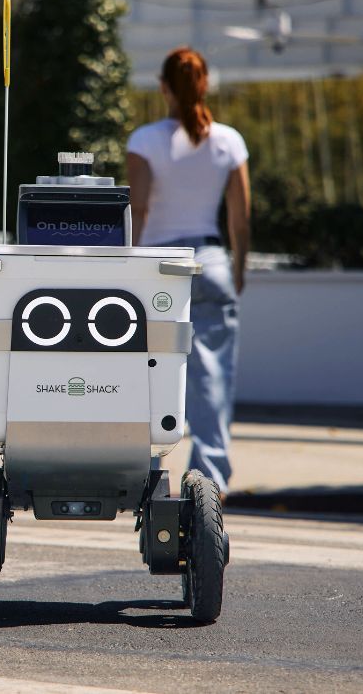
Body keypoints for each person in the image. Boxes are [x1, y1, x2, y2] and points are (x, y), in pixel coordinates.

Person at [126, 46, 251, 496]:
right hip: (211, 262)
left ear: (163, 87)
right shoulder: (229, 141)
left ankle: (140, 470)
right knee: (212, 376)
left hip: (157, 268)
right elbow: (239, 219)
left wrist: (127, 268)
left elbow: (138, 208)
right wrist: (238, 269)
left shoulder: (144, 141)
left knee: (146, 370)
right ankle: (210, 479)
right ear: (205, 86)